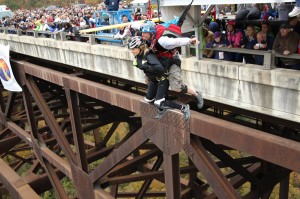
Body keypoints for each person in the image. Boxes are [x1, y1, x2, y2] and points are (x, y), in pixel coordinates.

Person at [130, 20, 204, 109]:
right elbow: (136, 25)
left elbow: (177, 41)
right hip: (161, 59)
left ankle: (196, 94)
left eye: (145, 33)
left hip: (172, 60)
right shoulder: (148, 34)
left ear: (151, 33)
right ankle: (163, 96)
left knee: (176, 87)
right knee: (149, 79)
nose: (142, 35)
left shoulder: (162, 41)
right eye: (142, 32)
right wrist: (130, 24)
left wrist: (189, 41)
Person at [128, 36, 191, 120]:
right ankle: (162, 109)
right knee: (149, 100)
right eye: (131, 49)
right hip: (154, 80)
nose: (132, 51)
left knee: (159, 102)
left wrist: (147, 67)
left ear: (140, 47)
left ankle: (183, 107)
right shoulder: (138, 55)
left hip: (163, 79)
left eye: (133, 49)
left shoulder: (149, 55)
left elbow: (160, 68)